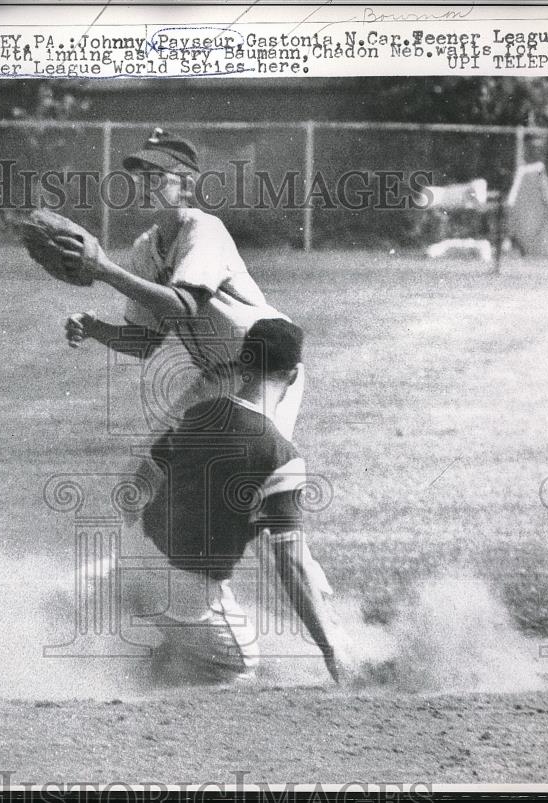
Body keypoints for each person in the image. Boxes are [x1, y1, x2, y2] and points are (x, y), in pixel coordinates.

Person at [135, 318, 347, 684]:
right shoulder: (280, 454)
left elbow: (140, 484)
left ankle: (151, 643)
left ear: (243, 364)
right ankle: (156, 671)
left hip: (135, 571)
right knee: (240, 662)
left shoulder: (196, 413)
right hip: (189, 600)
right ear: (293, 375)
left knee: (156, 609)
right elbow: (291, 563)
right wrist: (330, 648)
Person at [64, 127, 304, 439]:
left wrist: (107, 271)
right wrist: (95, 328)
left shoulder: (204, 230)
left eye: (156, 177)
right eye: (139, 177)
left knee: (257, 459)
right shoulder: (144, 249)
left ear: (187, 186)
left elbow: (182, 306)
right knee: (157, 461)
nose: (143, 186)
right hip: (215, 375)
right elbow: (144, 341)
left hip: (268, 368)